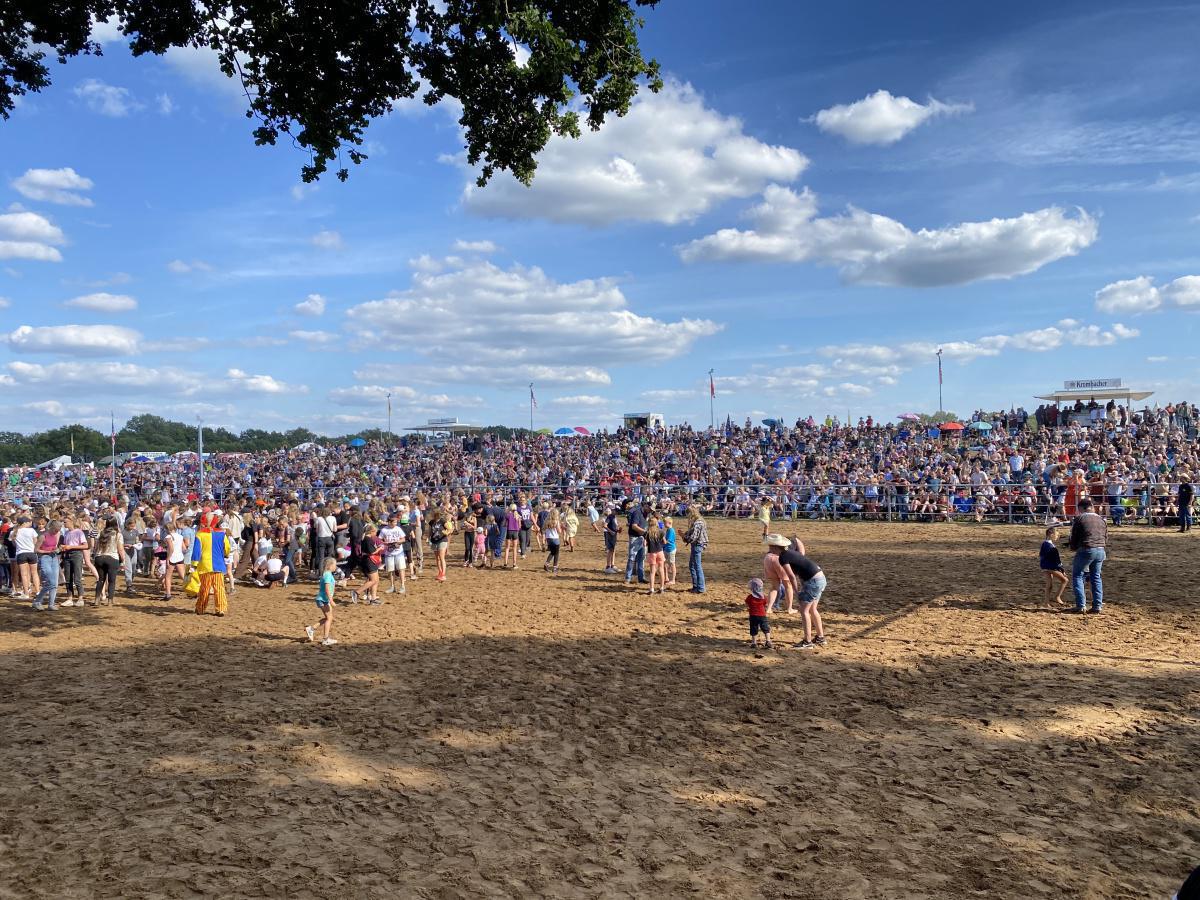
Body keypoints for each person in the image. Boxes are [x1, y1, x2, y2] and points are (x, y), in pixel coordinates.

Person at [780, 536, 826, 647]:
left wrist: (796, 592)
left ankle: (807, 641)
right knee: (813, 609)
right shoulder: (795, 554)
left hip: (813, 582)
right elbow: (800, 547)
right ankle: (820, 638)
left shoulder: (783, 557)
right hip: (820, 578)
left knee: (804, 611)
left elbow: (791, 576)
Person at [1068, 497, 1107, 614]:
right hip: (1101, 549)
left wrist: (1073, 547)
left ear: (1081, 508)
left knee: (1078, 576)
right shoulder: (1101, 519)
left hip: (1086, 549)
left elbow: (1074, 536)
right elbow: (1106, 536)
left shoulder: (1079, 518)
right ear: (1091, 507)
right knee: (1096, 577)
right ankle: (1097, 606)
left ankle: (1081, 605)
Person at [192, 512, 232, 617]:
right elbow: (227, 548)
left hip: (204, 565)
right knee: (219, 587)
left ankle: (200, 608)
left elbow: (196, 551)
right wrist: (225, 555)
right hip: (218, 565)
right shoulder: (222, 534)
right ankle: (221, 609)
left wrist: (194, 564)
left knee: (204, 588)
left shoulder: (200, 534)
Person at [305, 557, 339, 646]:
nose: (336, 567)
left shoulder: (327, 574)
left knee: (329, 618)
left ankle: (312, 629)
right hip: (324, 600)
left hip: (324, 599)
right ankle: (325, 639)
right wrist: (331, 600)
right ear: (330, 565)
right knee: (329, 618)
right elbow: (327, 588)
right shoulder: (327, 575)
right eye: (335, 565)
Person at [93, 516, 124, 606]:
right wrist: (123, 561)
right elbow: (120, 549)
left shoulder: (101, 533)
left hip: (99, 557)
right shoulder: (118, 535)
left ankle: (97, 600)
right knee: (111, 581)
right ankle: (110, 601)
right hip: (112, 558)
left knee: (100, 580)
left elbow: (95, 548)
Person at [761, 533, 794, 616]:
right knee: (788, 585)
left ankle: (768, 608)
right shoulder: (783, 548)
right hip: (779, 559)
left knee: (774, 587)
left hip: (768, 558)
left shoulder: (771, 547)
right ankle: (789, 608)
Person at [33, 519, 62, 612]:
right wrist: (48, 551)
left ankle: (51, 604)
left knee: (54, 583)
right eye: (56, 530)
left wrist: (58, 549)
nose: (57, 532)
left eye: (58, 530)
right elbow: (36, 550)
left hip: (54, 558)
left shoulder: (54, 536)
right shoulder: (43, 536)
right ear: (51, 527)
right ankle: (37, 601)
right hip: (45, 559)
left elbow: (54, 547)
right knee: (50, 582)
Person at [682, 506, 708, 594]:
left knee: (696, 566)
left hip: (697, 545)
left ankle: (700, 587)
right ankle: (696, 586)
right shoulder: (699, 521)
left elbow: (693, 537)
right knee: (693, 566)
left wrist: (684, 536)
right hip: (698, 544)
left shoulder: (698, 523)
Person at [1039, 525, 1067, 607]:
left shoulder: (1045, 544)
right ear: (1051, 534)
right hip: (1050, 566)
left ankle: (1046, 602)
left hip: (1045, 566)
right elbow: (1055, 559)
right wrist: (1061, 569)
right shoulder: (1049, 545)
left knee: (1049, 585)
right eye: (1057, 535)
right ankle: (1057, 596)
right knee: (1065, 580)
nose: (1057, 537)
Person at [380, 514, 407, 594]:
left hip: (399, 552)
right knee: (390, 570)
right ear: (389, 522)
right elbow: (379, 540)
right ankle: (392, 586)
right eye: (394, 522)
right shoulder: (384, 530)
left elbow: (403, 539)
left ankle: (402, 586)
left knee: (401, 569)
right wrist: (386, 543)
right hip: (388, 553)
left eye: (396, 522)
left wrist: (397, 542)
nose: (395, 523)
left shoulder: (398, 529)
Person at [624, 499, 648, 585]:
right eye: (650, 509)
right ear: (645, 506)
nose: (650, 511)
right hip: (635, 537)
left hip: (642, 537)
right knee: (631, 558)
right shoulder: (637, 513)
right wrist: (645, 532)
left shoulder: (646, 513)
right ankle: (628, 578)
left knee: (641, 559)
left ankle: (641, 577)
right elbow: (634, 526)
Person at [744, 577, 773, 650]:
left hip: (753, 615)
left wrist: (749, 607)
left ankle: (754, 642)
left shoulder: (750, 597)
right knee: (766, 628)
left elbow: (747, 604)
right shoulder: (763, 597)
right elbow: (765, 604)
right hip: (762, 615)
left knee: (753, 628)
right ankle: (768, 641)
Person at [644, 514, 666, 595]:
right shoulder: (661, 531)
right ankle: (662, 588)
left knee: (652, 572)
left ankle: (651, 589)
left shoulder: (647, 533)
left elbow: (644, 544)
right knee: (661, 570)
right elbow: (664, 542)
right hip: (660, 552)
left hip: (652, 552)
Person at [543, 507, 562, 575]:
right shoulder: (556, 521)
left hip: (548, 538)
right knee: (556, 553)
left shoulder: (547, 521)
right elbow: (559, 531)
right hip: (555, 538)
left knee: (552, 552)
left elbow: (544, 529)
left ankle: (546, 563)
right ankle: (554, 568)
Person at [602, 505, 620, 574]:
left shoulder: (614, 517)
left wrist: (618, 530)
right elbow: (604, 525)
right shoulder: (610, 517)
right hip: (610, 535)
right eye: (616, 511)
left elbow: (614, 526)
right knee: (610, 550)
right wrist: (611, 531)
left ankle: (612, 565)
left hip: (614, 535)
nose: (617, 512)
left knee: (613, 549)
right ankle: (608, 567)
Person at [662, 515, 677, 586]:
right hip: (666, 549)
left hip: (671, 549)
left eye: (665, 523)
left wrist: (661, 538)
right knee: (665, 563)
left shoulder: (671, 530)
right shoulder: (668, 530)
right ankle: (666, 577)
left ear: (669, 523)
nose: (664, 524)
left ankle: (673, 580)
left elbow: (667, 541)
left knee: (672, 564)